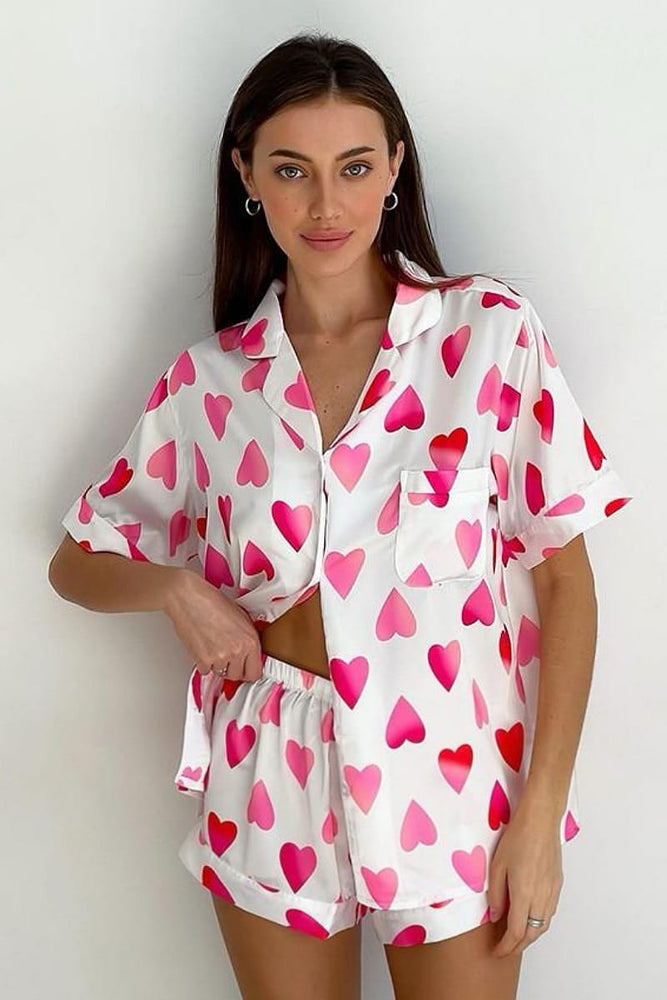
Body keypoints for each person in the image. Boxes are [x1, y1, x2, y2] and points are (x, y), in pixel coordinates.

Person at [48, 31, 634, 1000]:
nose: (326, 205)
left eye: (354, 166)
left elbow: (565, 580)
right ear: (246, 176)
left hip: (453, 774)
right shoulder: (210, 382)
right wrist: (176, 589)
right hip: (269, 772)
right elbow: (76, 563)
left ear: (395, 168)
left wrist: (539, 817)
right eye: (292, 169)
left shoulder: (487, 335)